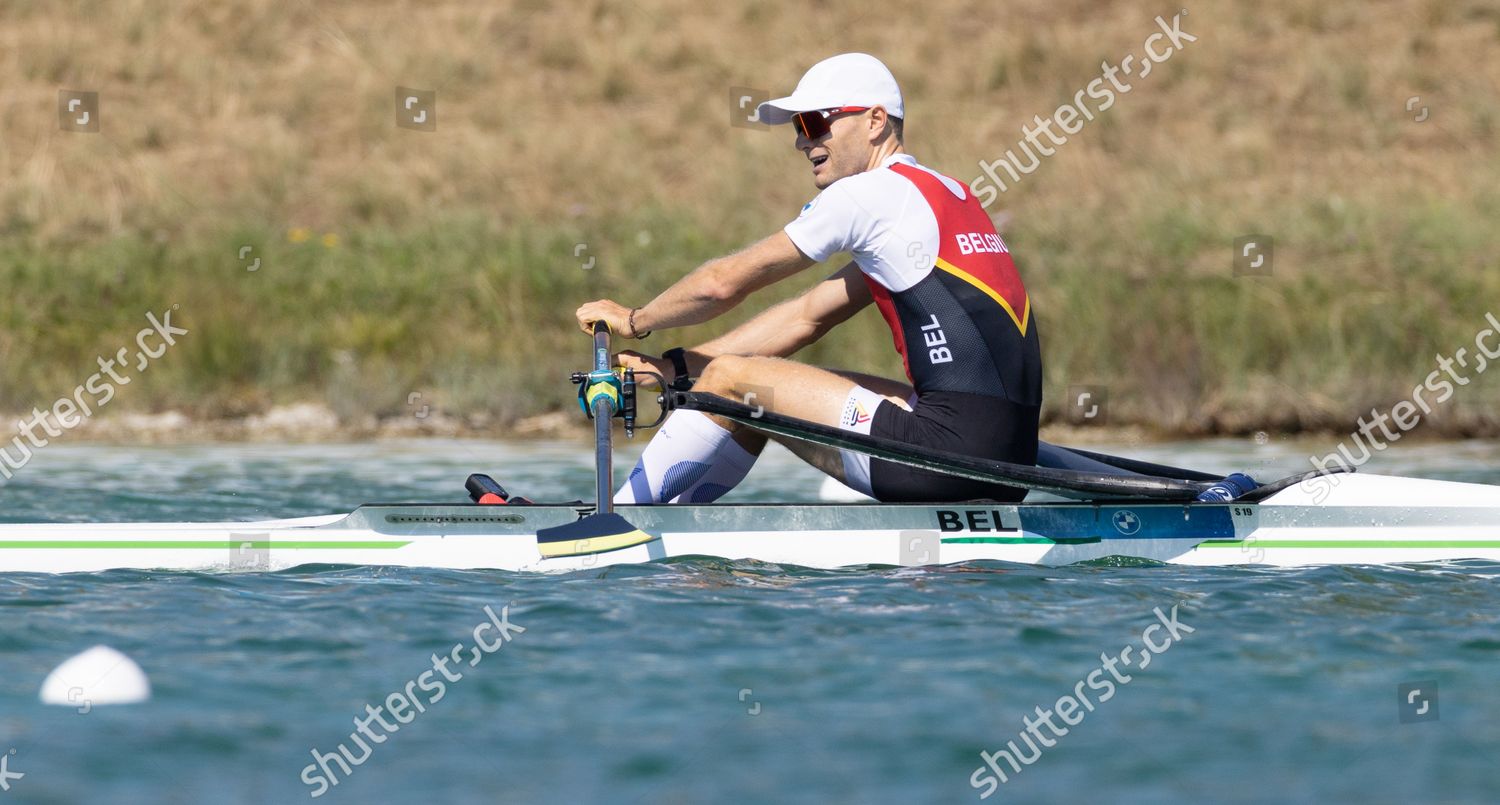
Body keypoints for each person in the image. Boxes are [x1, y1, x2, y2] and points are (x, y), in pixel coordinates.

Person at [575, 53, 1042, 504]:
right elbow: (807, 317)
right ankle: (678, 524)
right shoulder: (949, 193)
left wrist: (634, 319)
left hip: (945, 457)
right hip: (1009, 455)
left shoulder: (866, 195)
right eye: (799, 128)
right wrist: (674, 369)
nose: (802, 141)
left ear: (875, 121)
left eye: (815, 123)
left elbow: (722, 284)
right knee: (758, 391)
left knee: (732, 379)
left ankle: (622, 518)